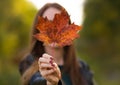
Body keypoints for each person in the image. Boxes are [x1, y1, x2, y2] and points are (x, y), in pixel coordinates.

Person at [19, 3, 94, 85]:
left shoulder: (82, 67)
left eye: (58, 24)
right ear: (39, 29)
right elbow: (35, 81)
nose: (54, 28)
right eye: (48, 23)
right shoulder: (29, 62)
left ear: (68, 29)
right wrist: (50, 82)